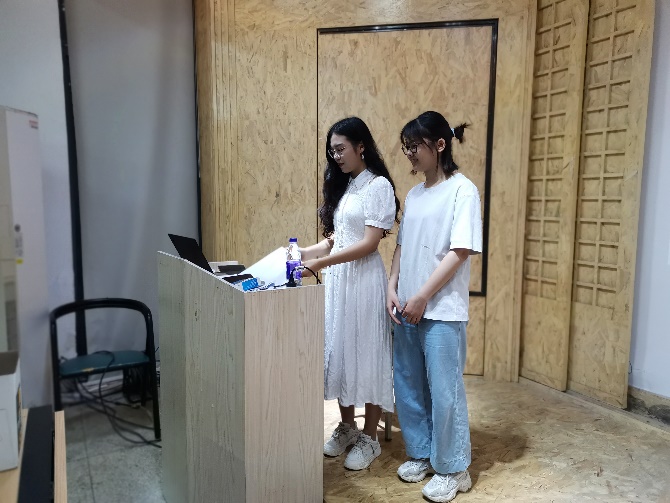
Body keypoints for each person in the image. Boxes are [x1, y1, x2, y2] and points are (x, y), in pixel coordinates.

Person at [386, 111, 482, 502]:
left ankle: (455, 468)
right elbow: (402, 246)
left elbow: (459, 251)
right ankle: (424, 454)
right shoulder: (414, 195)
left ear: (440, 145)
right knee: (408, 385)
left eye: (415, 146)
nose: (409, 153)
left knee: (445, 391)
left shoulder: (463, 191)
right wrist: (391, 286)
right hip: (406, 306)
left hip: (441, 309)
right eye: (406, 147)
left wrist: (423, 295)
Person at [300, 116, 400, 470]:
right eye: (333, 151)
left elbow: (369, 243)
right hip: (341, 281)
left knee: (368, 352)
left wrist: (320, 265)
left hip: (363, 281)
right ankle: (347, 427)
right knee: (341, 350)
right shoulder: (349, 186)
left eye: (341, 149)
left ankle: (370, 438)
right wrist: (304, 253)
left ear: (361, 147)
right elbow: (338, 239)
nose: (336, 156)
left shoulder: (378, 186)